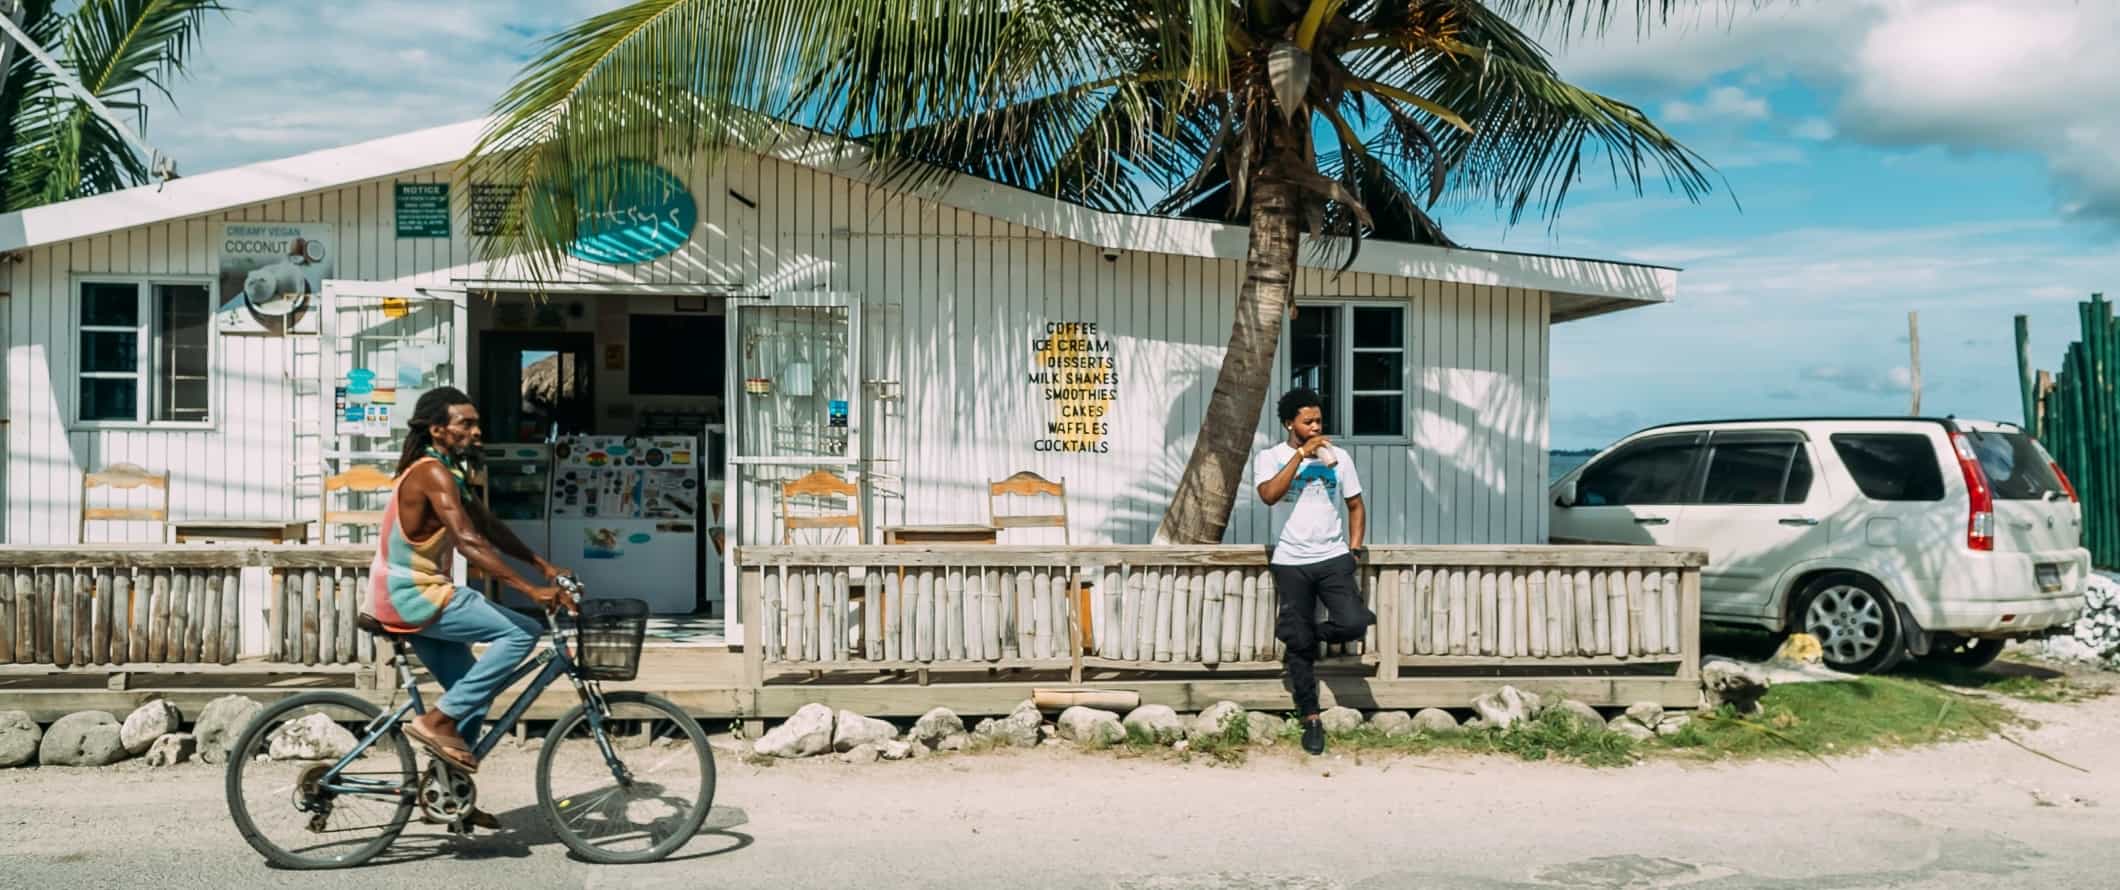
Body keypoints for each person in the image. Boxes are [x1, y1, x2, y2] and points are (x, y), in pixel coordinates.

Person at [367, 386, 577, 792]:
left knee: (473, 696)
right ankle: (434, 722)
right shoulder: (431, 472)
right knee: (523, 632)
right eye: (466, 423)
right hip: (414, 595)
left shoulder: (449, 471)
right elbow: (468, 541)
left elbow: (489, 528)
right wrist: (530, 591)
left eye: (476, 423)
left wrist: (544, 567)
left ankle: (450, 794)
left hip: (409, 598)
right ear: (438, 430)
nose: (477, 431)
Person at [1253, 388, 1371, 755]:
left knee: (1354, 622)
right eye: (1309, 421)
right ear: (1290, 423)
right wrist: (1301, 456)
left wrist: (1352, 550)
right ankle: (1310, 718)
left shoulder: (1341, 458)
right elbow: (1269, 495)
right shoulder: (1270, 456)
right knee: (1301, 650)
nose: (1317, 426)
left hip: (1333, 557)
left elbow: (1355, 505)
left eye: (1319, 420)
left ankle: (1303, 633)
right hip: (1291, 560)